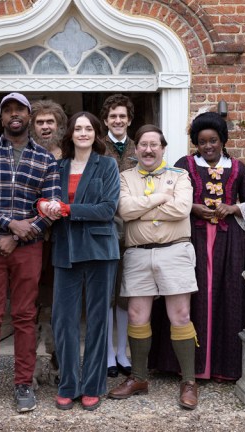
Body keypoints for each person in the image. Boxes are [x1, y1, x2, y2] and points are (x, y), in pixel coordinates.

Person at [0, 92, 60, 414]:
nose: (14, 115)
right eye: (8, 111)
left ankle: (23, 383)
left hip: (28, 250)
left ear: (29, 116)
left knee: (24, 315)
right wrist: (9, 225)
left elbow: (52, 208)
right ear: (1, 117)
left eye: (20, 110)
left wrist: (18, 237)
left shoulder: (45, 159)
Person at [107, 124, 199, 410]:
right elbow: (124, 210)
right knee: (136, 315)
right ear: (136, 149)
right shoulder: (124, 177)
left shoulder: (180, 176)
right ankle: (139, 377)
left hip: (175, 250)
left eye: (154, 145)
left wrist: (142, 208)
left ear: (162, 148)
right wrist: (160, 198)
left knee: (180, 315)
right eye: (143, 145)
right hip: (137, 254)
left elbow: (181, 209)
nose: (148, 149)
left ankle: (189, 381)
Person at [165, 111, 245, 381]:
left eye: (213, 140)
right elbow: (170, 196)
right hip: (192, 240)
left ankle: (223, 365)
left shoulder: (239, 169)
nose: (208, 146)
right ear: (196, 142)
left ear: (223, 140)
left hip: (230, 245)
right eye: (202, 141)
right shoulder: (184, 164)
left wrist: (232, 207)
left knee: (227, 296)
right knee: (190, 299)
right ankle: (187, 366)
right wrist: (192, 207)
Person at [39, 112, 120, 411]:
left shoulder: (108, 165)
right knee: (64, 321)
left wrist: (67, 209)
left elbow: (107, 208)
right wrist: (45, 206)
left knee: (98, 321)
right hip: (66, 249)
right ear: (70, 134)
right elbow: (45, 199)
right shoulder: (57, 166)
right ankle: (68, 384)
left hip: (100, 249)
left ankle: (94, 385)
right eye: (78, 128)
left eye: (88, 128)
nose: (83, 133)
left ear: (96, 133)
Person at [29, 98, 68, 384]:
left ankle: (57, 363)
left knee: (59, 304)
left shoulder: (68, 158)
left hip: (63, 239)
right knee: (29, 303)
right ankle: (27, 365)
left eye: (49, 122)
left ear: (59, 126)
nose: (45, 127)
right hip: (31, 239)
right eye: (40, 122)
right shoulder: (25, 154)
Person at [99, 94, 136, 377]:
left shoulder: (141, 148)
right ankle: (109, 353)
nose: (118, 120)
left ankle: (123, 351)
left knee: (126, 294)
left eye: (122, 116)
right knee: (108, 293)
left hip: (134, 231)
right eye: (113, 116)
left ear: (129, 120)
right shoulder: (99, 149)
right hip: (107, 229)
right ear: (106, 120)